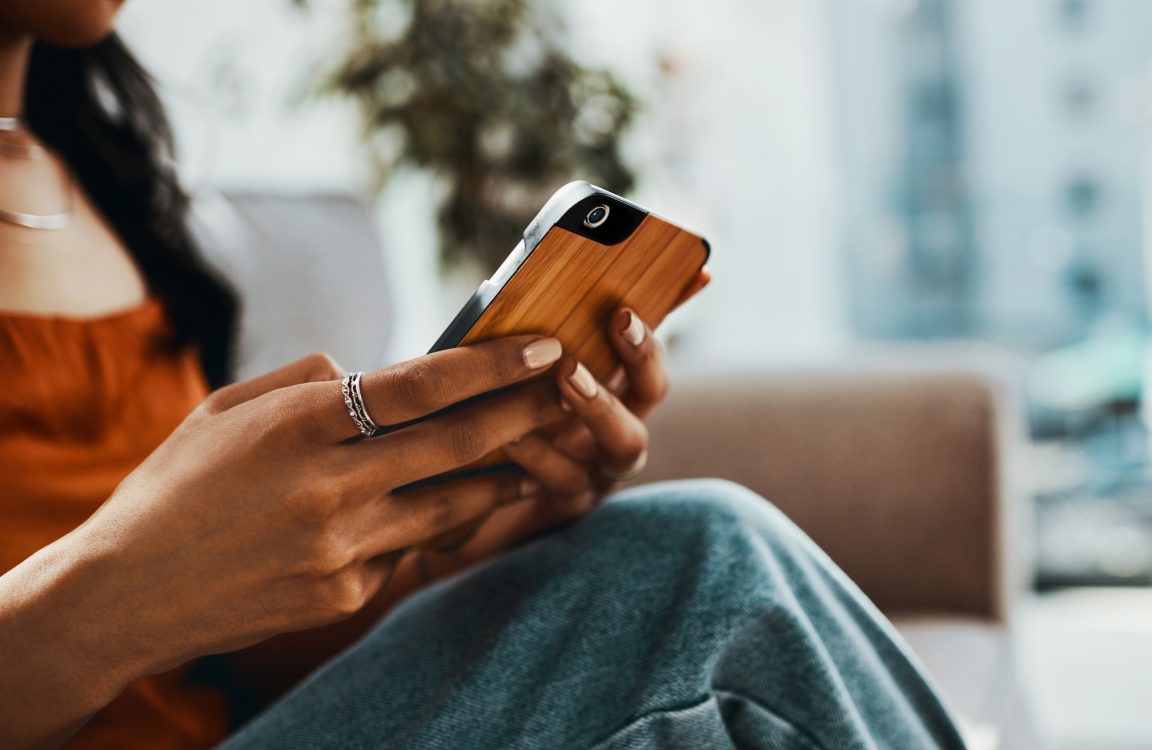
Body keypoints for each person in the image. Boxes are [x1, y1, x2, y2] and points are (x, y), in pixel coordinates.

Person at [0, 2, 969, 748]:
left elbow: (216, 655)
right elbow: (131, 611)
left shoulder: (92, 172)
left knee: (664, 570)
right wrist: (110, 596)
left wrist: (453, 543)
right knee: (706, 561)